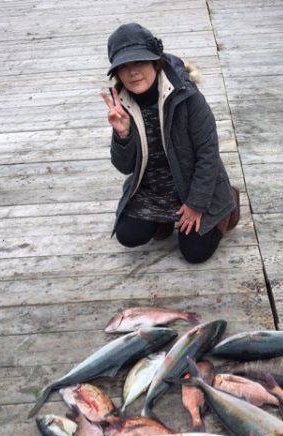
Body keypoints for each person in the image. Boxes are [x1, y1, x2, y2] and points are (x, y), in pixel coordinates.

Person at [100, 23, 240, 264]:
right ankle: (163, 219)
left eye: (139, 62)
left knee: (195, 253)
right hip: (153, 188)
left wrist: (196, 204)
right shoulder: (121, 102)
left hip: (192, 186)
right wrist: (122, 135)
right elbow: (125, 168)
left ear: (156, 62)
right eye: (124, 66)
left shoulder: (187, 95)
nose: (132, 72)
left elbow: (208, 154)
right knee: (128, 235)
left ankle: (230, 201)